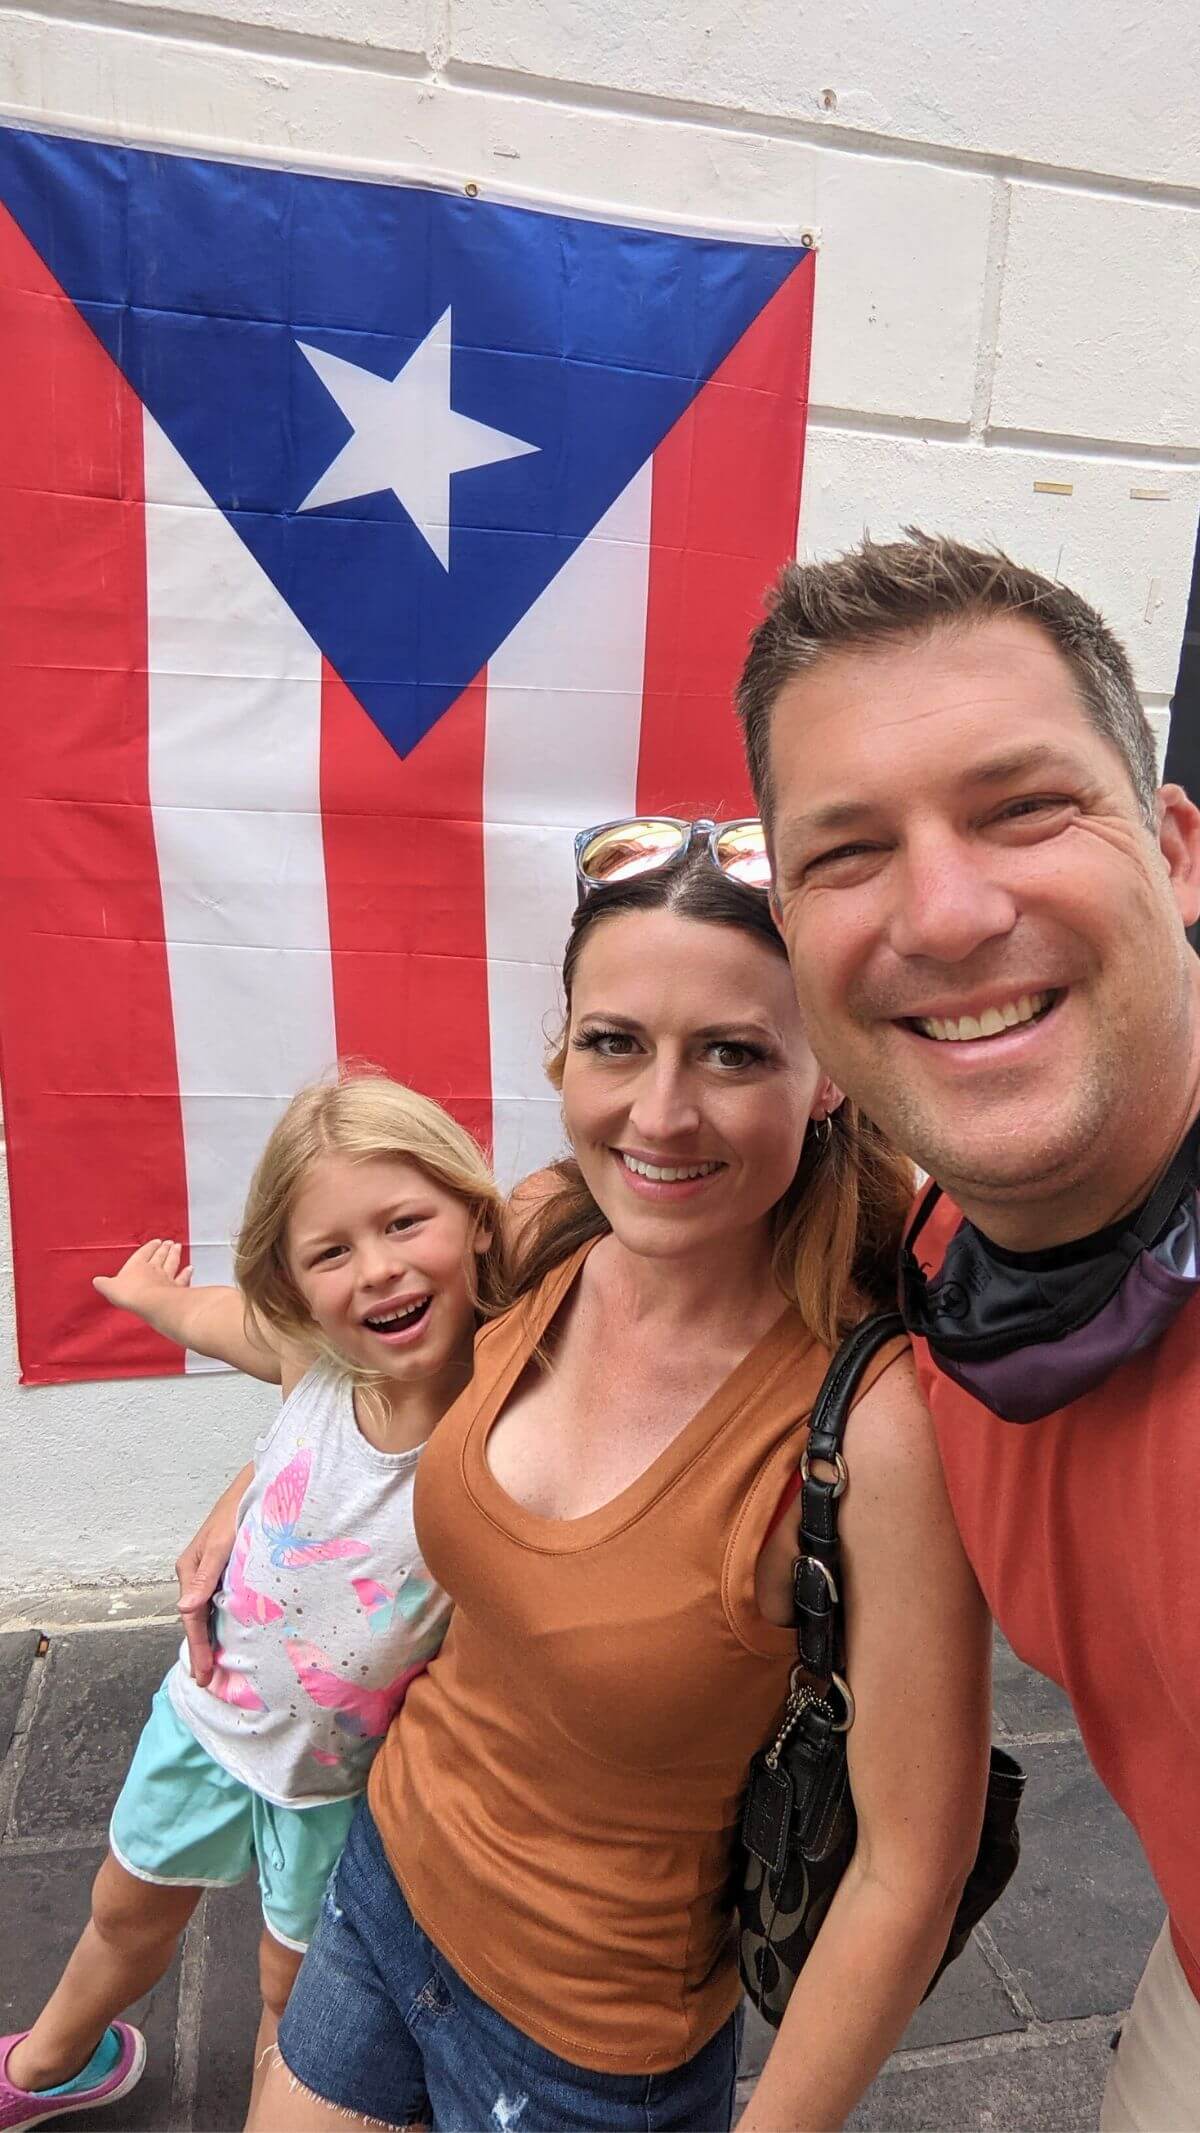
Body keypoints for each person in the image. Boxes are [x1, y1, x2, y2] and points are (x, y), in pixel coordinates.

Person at [222, 832, 993, 2133]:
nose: (660, 1113)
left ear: (827, 1080)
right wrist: (236, 1503)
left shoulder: (873, 1427)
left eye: (734, 1052)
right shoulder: (544, 1232)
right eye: (618, 1042)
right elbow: (372, 1376)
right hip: (387, 1878)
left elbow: (912, 1870)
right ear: (562, 1053)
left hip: (586, 2043)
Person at [735, 529, 1200, 2132]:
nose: (940, 911)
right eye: (847, 853)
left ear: (1177, 850)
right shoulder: (925, 1243)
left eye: (1022, 808)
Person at [0, 1072, 505, 2132]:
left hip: (334, 1787)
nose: (377, 1268)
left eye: (406, 1222)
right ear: (294, 1279)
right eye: (331, 1251)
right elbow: (210, 1314)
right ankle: (52, 2065)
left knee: (295, 1995)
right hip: (203, 1722)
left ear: (477, 1214)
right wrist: (145, 1297)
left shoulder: (501, 1426)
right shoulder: (307, 1362)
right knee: (123, 1908)